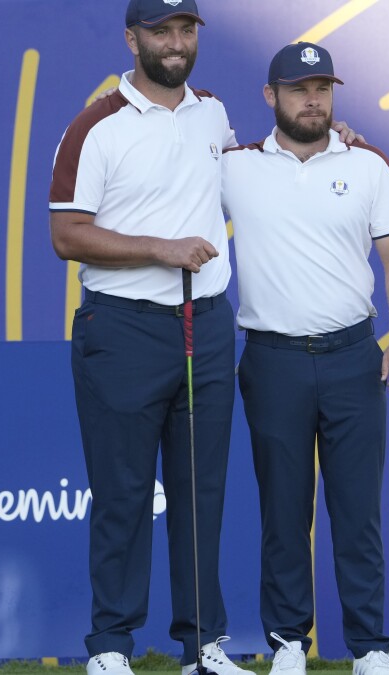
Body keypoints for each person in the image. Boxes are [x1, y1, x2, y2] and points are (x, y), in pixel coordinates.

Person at [48, 2, 257, 674]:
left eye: (186, 29)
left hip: (207, 324)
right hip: (123, 327)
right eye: (161, 30)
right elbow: (67, 234)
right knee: (123, 491)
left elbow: (248, 186)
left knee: (202, 487)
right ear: (132, 38)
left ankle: (204, 642)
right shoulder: (94, 125)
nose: (176, 42)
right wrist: (158, 249)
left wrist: (326, 140)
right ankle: (111, 644)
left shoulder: (214, 114)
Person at [221, 42, 389, 675]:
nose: (313, 100)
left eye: (323, 89)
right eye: (299, 88)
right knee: (283, 508)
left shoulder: (367, 164)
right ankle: (286, 643)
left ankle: (368, 648)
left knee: (357, 511)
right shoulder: (233, 166)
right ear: (270, 96)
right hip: (272, 359)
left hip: (352, 356)